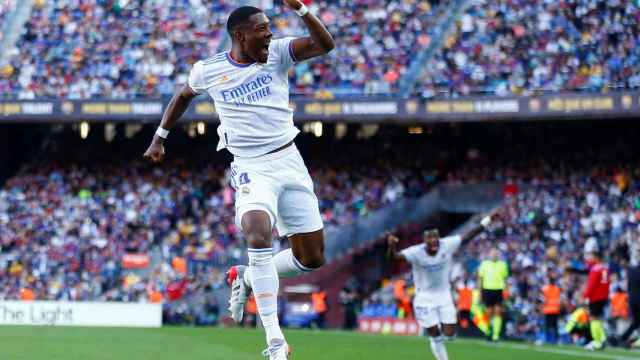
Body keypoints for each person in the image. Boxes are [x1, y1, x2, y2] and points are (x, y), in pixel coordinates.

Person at [143, 2, 335, 359]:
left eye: (270, 29)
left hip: (289, 159)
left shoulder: (277, 54)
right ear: (240, 35)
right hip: (250, 165)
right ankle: (275, 342)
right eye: (263, 30)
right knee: (257, 231)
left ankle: (247, 277)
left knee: (312, 258)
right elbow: (182, 95)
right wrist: (160, 137)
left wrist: (303, 10)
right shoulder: (209, 70)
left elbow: (325, 45)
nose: (270, 35)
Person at [386, 211, 497, 360]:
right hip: (424, 297)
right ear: (424, 239)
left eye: (435, 236)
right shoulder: (416, 252)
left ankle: (447, 335)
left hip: (444, 295)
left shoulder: (447, 244)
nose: (433, 240)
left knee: (449, 334)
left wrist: (486, 221)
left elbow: (468, 236)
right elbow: (393, 257)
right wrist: (392, 246)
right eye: (429, 237)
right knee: (434, 334)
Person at [478, 246, 509, 342]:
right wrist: (480, 292)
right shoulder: (484, 264)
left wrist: (506, 292)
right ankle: (488, 332)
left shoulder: (503, 265)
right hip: (487, 290)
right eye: (493, 253)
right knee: (488, 313)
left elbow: (505, 279)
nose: (494, 255)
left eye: (496, 253)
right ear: (489, 254)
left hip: (499, 290)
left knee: (498, 312)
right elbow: (480, 279)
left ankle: (496, 335)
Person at [582, 249, 610, 351]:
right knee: (597, 318)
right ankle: (602, 338)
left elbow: (592, 285)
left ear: (596, 258)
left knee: (593, 318)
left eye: (592, 256)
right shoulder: (605, 268)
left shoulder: (595, 269)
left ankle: (597, 341)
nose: (590, 259)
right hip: (603, 297)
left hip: (595, 297)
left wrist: (585, 295)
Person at [541, 276, 562, 344]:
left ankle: (547, 339)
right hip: (555, 309)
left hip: (547, 309)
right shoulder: (557, 289)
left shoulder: (545, 289)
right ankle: (556, 340)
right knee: (555, 325)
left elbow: (542, 299)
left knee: (547, 325)